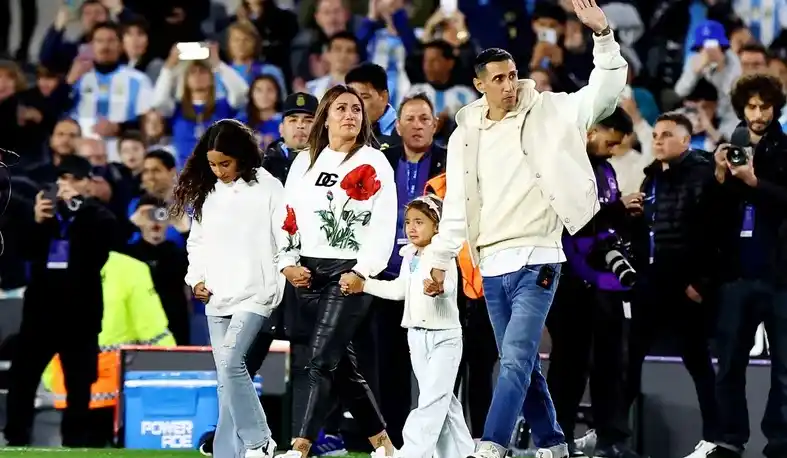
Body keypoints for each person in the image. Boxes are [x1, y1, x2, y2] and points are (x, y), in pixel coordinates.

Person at [419, 1, 627, 457]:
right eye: (497, 78)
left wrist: (603, 36)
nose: (509, 85)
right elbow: (457, 204)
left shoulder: (553, 111)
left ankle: (491, 444)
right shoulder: (465, 134)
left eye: (512, 75)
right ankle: (554, 444)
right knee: (524, 364)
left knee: (512, 360)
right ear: (479, 85)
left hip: (539, 258)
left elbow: (606, 93)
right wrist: (438, 260)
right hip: (491, 263)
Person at [275, 84, 397, 458]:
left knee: (321, 360)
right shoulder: (305, 161)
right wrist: (287, 262)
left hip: (349, 274)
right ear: (325, 117)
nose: (350, 116)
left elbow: (383, 223)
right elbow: (286, 216)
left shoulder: (375, 162)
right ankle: (385, 446)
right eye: (341, 109)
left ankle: (300, 445)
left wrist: (364, 271)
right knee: (343, 367)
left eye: (357, 110)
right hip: (307, 274)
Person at [685, 74, 787, 458]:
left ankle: (780, 443)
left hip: (779, 277)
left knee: (784, 370)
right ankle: (729, 439)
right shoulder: (732, 148)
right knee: (728, 366)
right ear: (742, 109)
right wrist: (719, 177)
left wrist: (755, 182)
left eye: (764, 107)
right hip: (733, 277)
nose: (758, 114)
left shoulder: (785, 151)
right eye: (751, 107)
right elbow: (709, 218)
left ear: (775, 108)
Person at [172, 119, 284, 458]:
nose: (219, 171)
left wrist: (275, 286)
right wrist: (197, 279)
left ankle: (259, 441)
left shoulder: (268, 187)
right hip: (217, 297)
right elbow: (198, 242)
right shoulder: (209, 194)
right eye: (212, 164)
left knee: (233, 363)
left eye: (225, 163)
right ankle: (226, 453)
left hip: (256, 294)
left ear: (242, 157)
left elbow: (285, 238)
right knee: (226, 379)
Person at [343, 195, 474, 458]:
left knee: (432, 400)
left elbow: (448, 288)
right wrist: (365, 285)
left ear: (437, 226)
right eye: (408, 222)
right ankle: (463, 453)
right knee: (443, 401)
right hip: (416, 336)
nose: (411, 228)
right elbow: (399, 290)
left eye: (419, 222)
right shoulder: (410, 255)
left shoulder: (443, 255)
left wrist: (438, 288)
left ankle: (411, 453)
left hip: (444, 337)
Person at [4, 155, 118, 447]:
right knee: (22, 378)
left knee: (79, 384)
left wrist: (77, 210)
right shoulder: (44, 212)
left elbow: (101, 249)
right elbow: (24, 250)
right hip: (41, 312)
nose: (67, 185)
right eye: (63, 179)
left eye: (75, 179)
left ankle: (75, 443)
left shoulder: (98, 215)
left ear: (87, 184)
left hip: (81, 314)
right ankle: (16, 439)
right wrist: (39, 220)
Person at [546, 107, 640, 458]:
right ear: (593, 130)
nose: (613, 149)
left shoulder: (606, 169)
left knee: (611, 362)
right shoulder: (565, 166)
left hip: (605, 282)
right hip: (569, 279)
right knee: (569, 362)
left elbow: (606, 221)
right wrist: (617, 210)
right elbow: (576, 220)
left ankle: (610, 439)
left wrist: (624, 213)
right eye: (610, 141)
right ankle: (558, 439)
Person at [624, 112, 719, 454]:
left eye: (666, 135)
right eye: (655, 135)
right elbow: (650, 232)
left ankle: (714, 438)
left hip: (685, 288)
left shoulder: (704, 175)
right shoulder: (650, 179)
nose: (658, 140)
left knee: (698, 363)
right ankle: (615, 436)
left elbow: (716, 233)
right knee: (630, 360)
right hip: (650, 285)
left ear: (685, 140)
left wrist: (702, 283)